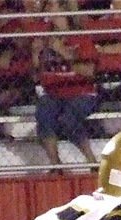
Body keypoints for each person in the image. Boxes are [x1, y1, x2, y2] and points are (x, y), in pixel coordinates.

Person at [31, 3, 99, 169]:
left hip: (81, 91)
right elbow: (35, 76)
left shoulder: (80, 37)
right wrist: (35, 54)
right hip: (53, 92)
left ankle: (92, 161)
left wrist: (62, 51)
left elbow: (89, 71)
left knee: (68, 119)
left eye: (54, 7)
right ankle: (55, 165)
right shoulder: (44, 38)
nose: (50, 12)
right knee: (43, 112)